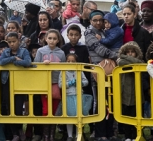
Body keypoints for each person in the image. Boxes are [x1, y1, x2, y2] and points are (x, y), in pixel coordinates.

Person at [84, 10, 117, 141]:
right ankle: (100, 133)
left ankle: (110, 132)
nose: (98, 23)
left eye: (100, 20)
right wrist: (117, 56)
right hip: (97, 71)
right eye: (95, 20)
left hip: (110, 70)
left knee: (112, 101)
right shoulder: (89, 33)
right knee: (100, 101)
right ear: (90, 21)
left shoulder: (106, 32)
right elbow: (99, 49)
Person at [0, 32, 32, 141]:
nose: (12, 44)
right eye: (9, 42)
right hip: (7, 82)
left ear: (19, 41)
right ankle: (14, 134)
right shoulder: (6, 51)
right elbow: (1, 62)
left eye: (14, 41)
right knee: (9, 108)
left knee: (18, 108)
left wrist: (18, 62)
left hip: (20, 83)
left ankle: (19, 129)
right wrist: (14, 59)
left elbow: (27, 62)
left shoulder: (24, 51)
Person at [34, 29, 66, 141]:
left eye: (54, 39)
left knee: (54, 110)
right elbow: (35, 66)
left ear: (58, 40)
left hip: (56, 83)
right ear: (46, 39)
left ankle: (52, 134)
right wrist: (43, 64)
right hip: (44, 83)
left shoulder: (61, 53)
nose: (52, 41)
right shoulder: (41, 51)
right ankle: (45, 135)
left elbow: (64, 69)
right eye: (50, 38)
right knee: (45, 109)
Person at [117, 41, 145, 141]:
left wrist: (126, 57)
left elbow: (141, 64)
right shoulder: (122, 60)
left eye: (132, 52)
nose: (129, 53)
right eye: (127, 52)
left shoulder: (140, 62)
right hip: (125, 94)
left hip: (137, 94)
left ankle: (136, 135)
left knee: (137, 116)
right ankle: (128, 136)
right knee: (126, 116)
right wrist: (130, 59)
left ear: (137, 53)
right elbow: (121, 62)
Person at [58, 53, 89, 141]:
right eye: (68, 61)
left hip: (79, 96)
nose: (70, 63)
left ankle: (78, 134)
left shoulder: (79, 70)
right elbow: (60, 85)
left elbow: (86, 81)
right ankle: (70, 135)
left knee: (78, 116)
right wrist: (70, 83)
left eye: (73, 61)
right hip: (68, 96)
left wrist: (80, 82)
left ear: (76, 62)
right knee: (69, 116)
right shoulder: (63, 71)